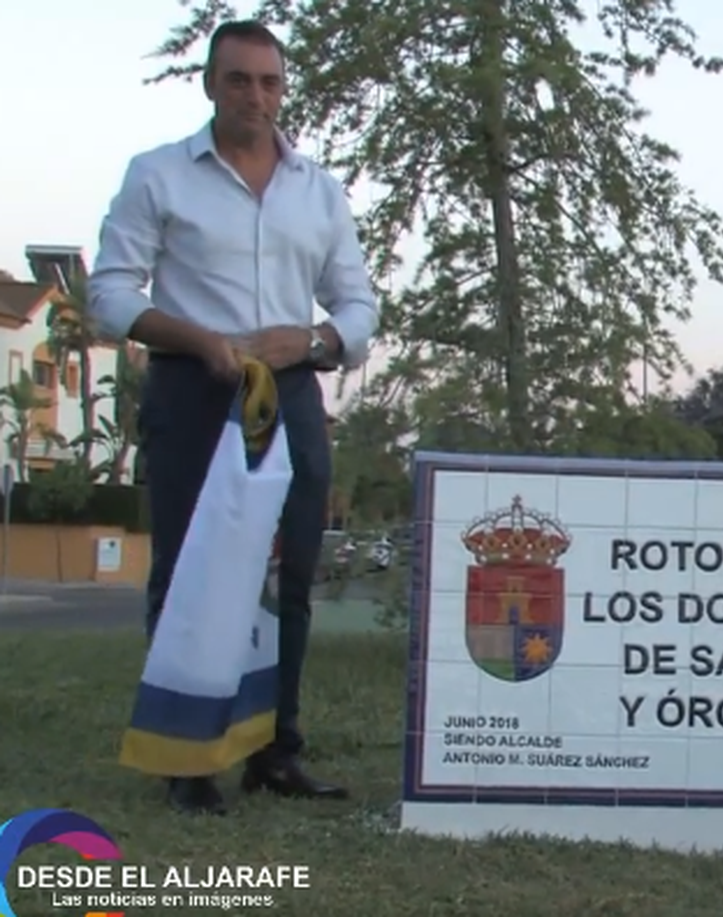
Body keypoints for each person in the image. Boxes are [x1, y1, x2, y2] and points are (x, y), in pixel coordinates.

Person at [88, 20, 379, 815]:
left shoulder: (317, 190)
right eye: (239, 79)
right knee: (190, 573)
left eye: (269, 82)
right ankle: (189, 760)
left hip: (288, 394)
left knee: (289, 579)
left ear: (284, 89)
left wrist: (316, 339)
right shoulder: (158, 176)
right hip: (193, 389)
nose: (255, 95)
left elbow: (358, 303)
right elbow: (111, 291)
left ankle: (276, 750)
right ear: (211, 84)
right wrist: (196, 339)